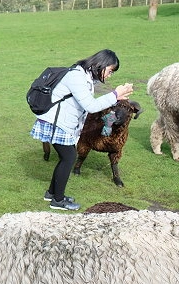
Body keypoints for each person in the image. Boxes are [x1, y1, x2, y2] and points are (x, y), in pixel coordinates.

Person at [30, 49, 133, 211]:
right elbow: (90, 106)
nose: (109, 75)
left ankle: (52, 193)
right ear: (102, 65)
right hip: (57, 123)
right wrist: (114, 94)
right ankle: (58, 201)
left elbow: (87, 102)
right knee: (69, 158)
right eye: (110, 71)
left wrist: (117, 97)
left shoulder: (84, 76)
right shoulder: (76, 76)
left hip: (62, 122)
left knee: (66, 157)